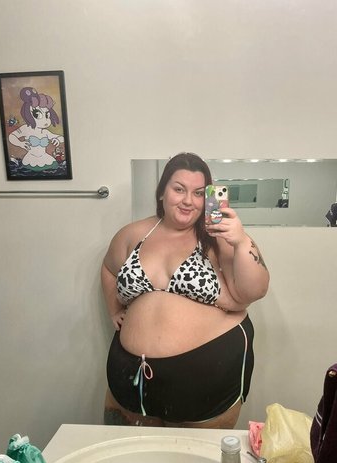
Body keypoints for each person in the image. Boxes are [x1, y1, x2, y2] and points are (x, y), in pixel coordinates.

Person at [101, 153, 269, 428]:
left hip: (207, 378)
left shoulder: (218, 236)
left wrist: (240, 241)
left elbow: (255, 290)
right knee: (127, 451)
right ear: (162, 192)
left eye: (199, 193)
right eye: (179, 189)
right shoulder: (133, 234)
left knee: (198, 454)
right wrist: (113, 310)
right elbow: (109, 269)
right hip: (131, 375)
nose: (188, 200)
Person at [8, 87, 64, 171]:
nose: (45, 120)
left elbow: (62, 137)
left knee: (53, 167)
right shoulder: (25, 129)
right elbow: (11, 136)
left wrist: (57, 140)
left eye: (47, 115)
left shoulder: (45, 132)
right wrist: (20, 144)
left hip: (45, 158)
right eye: (38, 115)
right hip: (30, 159)